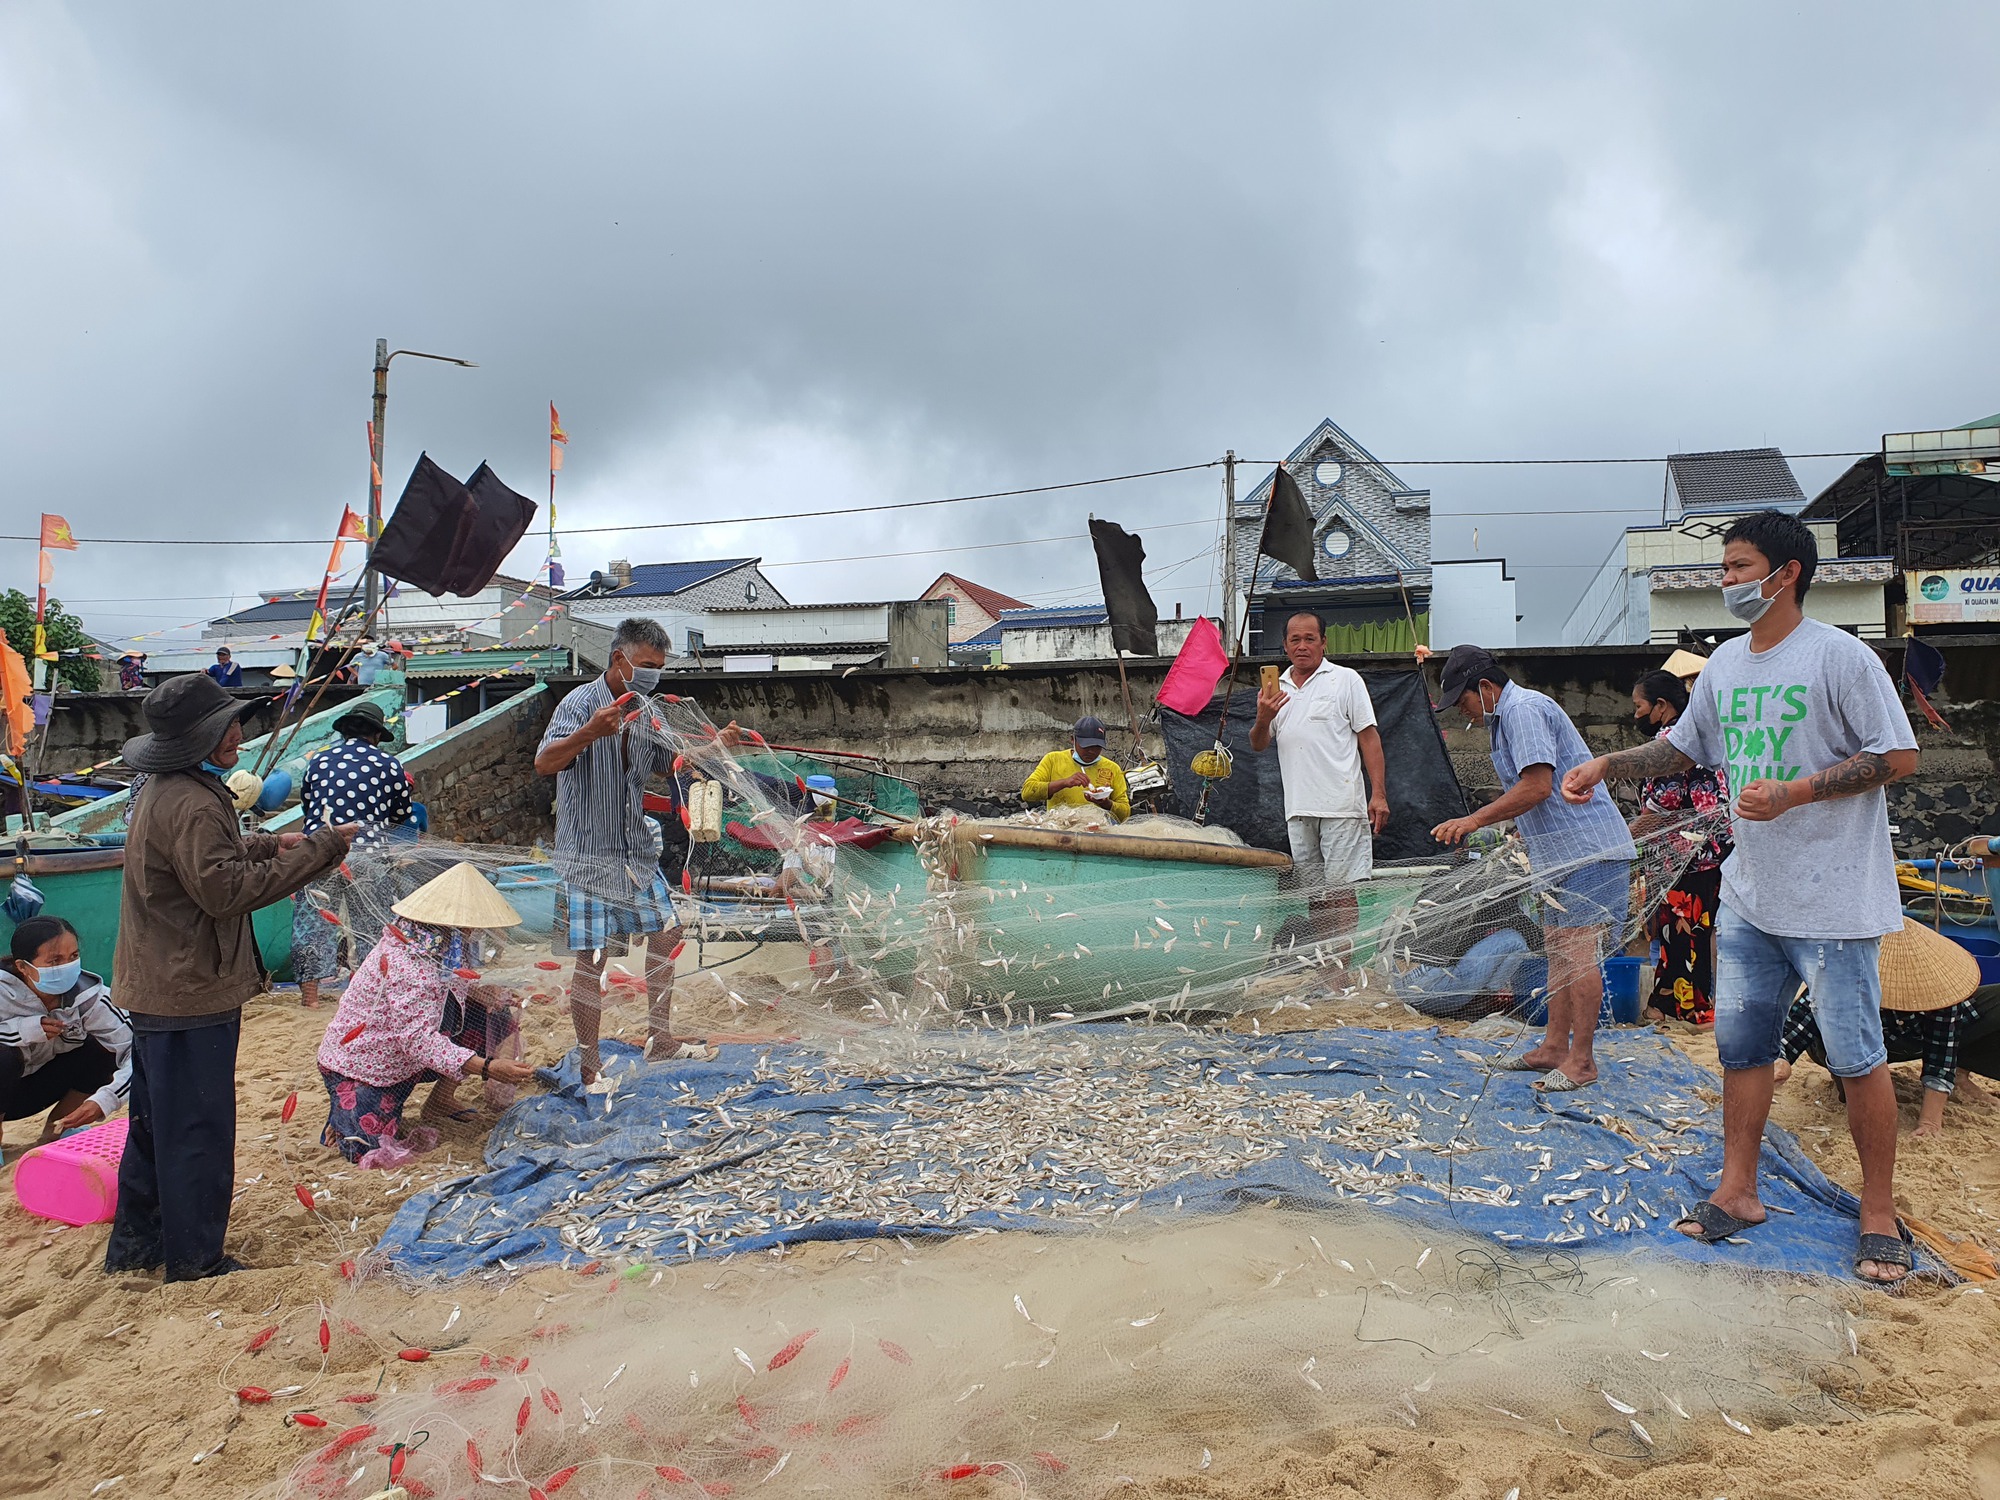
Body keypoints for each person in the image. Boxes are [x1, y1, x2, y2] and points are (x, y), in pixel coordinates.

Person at [1562, 509, 1920, 1284]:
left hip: (1833, 902)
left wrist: (1795, 793)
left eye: (1737, 567)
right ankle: (1739, 1190)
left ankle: (1879, 1213)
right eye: (1723, 568)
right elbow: (1683, 746)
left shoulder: (1840, 658)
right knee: (1743, 1051)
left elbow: (1897, 754)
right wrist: (1608, 763)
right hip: (1751, 897)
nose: (1726, 581)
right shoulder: (1724, 666)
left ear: (1785, 573)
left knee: (1857, 1060)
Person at [103, 673, 354, 1281]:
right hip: (188, 986)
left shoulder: (173, 789)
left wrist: (273, 844)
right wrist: (317, 852)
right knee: (196, 1128)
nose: (239, 735)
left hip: (161, 982)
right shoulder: (191, 801)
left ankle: (138, 1246)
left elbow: (212, 855)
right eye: (227, 727)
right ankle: (194, 1259)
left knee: (155, 1124)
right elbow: (224, 892)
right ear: (200, 738)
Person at [1431, 645, 1636, 1092]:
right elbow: (1537, 790)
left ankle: (1582, 1060)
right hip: (1558, 853)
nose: (1464, 713)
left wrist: (1475, 819)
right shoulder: (1504, 719)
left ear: (1485, 687)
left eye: (1463, 701)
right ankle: (1552, 1047)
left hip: (1588, 850)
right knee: (1558, 948)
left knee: (1578, 952)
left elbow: (1538, 785)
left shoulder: (1522, 709)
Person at [535, 618, 709, 1082]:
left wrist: (711, 749)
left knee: (667, 938)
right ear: (620, 660)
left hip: (636, 853)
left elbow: (666, 764)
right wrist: (590, 732)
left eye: (659, 667)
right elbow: (544, 762)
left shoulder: (648, 712)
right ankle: (590, 1067)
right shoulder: (578, 705)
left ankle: (661, 1038)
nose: (654, 675)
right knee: (592, 961)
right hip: (588, 859)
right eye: (647, 665)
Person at [316, 862, 536, 1162]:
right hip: (366, 1062)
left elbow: (447, 983)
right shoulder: (407, 961)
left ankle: (440, 1101)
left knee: (491, 1015)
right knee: (365, 1148)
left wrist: (482, 992)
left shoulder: (432, 945)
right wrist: (487, 1068)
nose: (474, 931)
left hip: (405, 1055)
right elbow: (417, 1040)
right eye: (469, 924)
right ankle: (342, 1107)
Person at [1250, 612, 1390, 954]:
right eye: (1295, 640)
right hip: (1298, 809)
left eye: (1310, 639)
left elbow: (1369, 739)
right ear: (1284, 646)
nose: (1302, 646)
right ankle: (1326, 971)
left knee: (1341, 892)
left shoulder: (1345, 680)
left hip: (1342, 804)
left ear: (1323, 643)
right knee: (1315, 894)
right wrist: (1263, 717)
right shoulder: (1275, 690)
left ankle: (1340, 978)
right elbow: (1258, 743)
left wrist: (1379, 795)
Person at [1776, 919, 1986, 1138]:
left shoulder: (1940, 990)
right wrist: (1781, 1060)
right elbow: (1795, 1029)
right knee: (1855, 1094)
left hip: (1905, 1042)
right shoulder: (1842, 977)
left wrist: (1929, 1121)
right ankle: (1846, 1083)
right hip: (1839, 1046)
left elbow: (1941, 1053)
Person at [291, 700, 415, 1010]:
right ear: (375, 735)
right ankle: (367, 995)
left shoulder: (318, 761)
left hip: (320, 852)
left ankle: (311, 997)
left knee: (313, 923)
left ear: (345, 732)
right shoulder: (389, 764)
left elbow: (310, 808)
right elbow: (401, 813)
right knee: (371, 925)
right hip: (369, 854)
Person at [1629, 668, 1731, 1025]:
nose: (1636, 714)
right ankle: (1683, 1004)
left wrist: (1621, 841)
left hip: (1692, 858)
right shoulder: (1697, 734)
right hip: (1704, 854)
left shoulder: (1673, 743)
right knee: (1689, 933)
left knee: (1682, 933)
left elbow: (1661, 808)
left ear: (1661, 705)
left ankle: (1683, 1007)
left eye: (1639, 706)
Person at [0, 916, 132, 1145]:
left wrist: (107, 1099)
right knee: (4, 1057)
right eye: (54, 961)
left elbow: (139, 1049)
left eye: (73, 957)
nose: (66, 967)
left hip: (31, 1093)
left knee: (102, 1049)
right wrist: (23, 1030)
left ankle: (58, 1133)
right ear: (23, 967)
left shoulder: (90, 998)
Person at [1021, 716, 1131, 822]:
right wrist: (1064, 783)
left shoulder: (1112, 768)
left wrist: (1106, 804)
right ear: (1073, 740)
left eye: (1097, 747)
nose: (1092, 751)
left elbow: (1125, 814)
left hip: (1097, 832)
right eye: (1086, 746)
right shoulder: (1053, 760)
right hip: (1060, 830)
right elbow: (1027, 792)